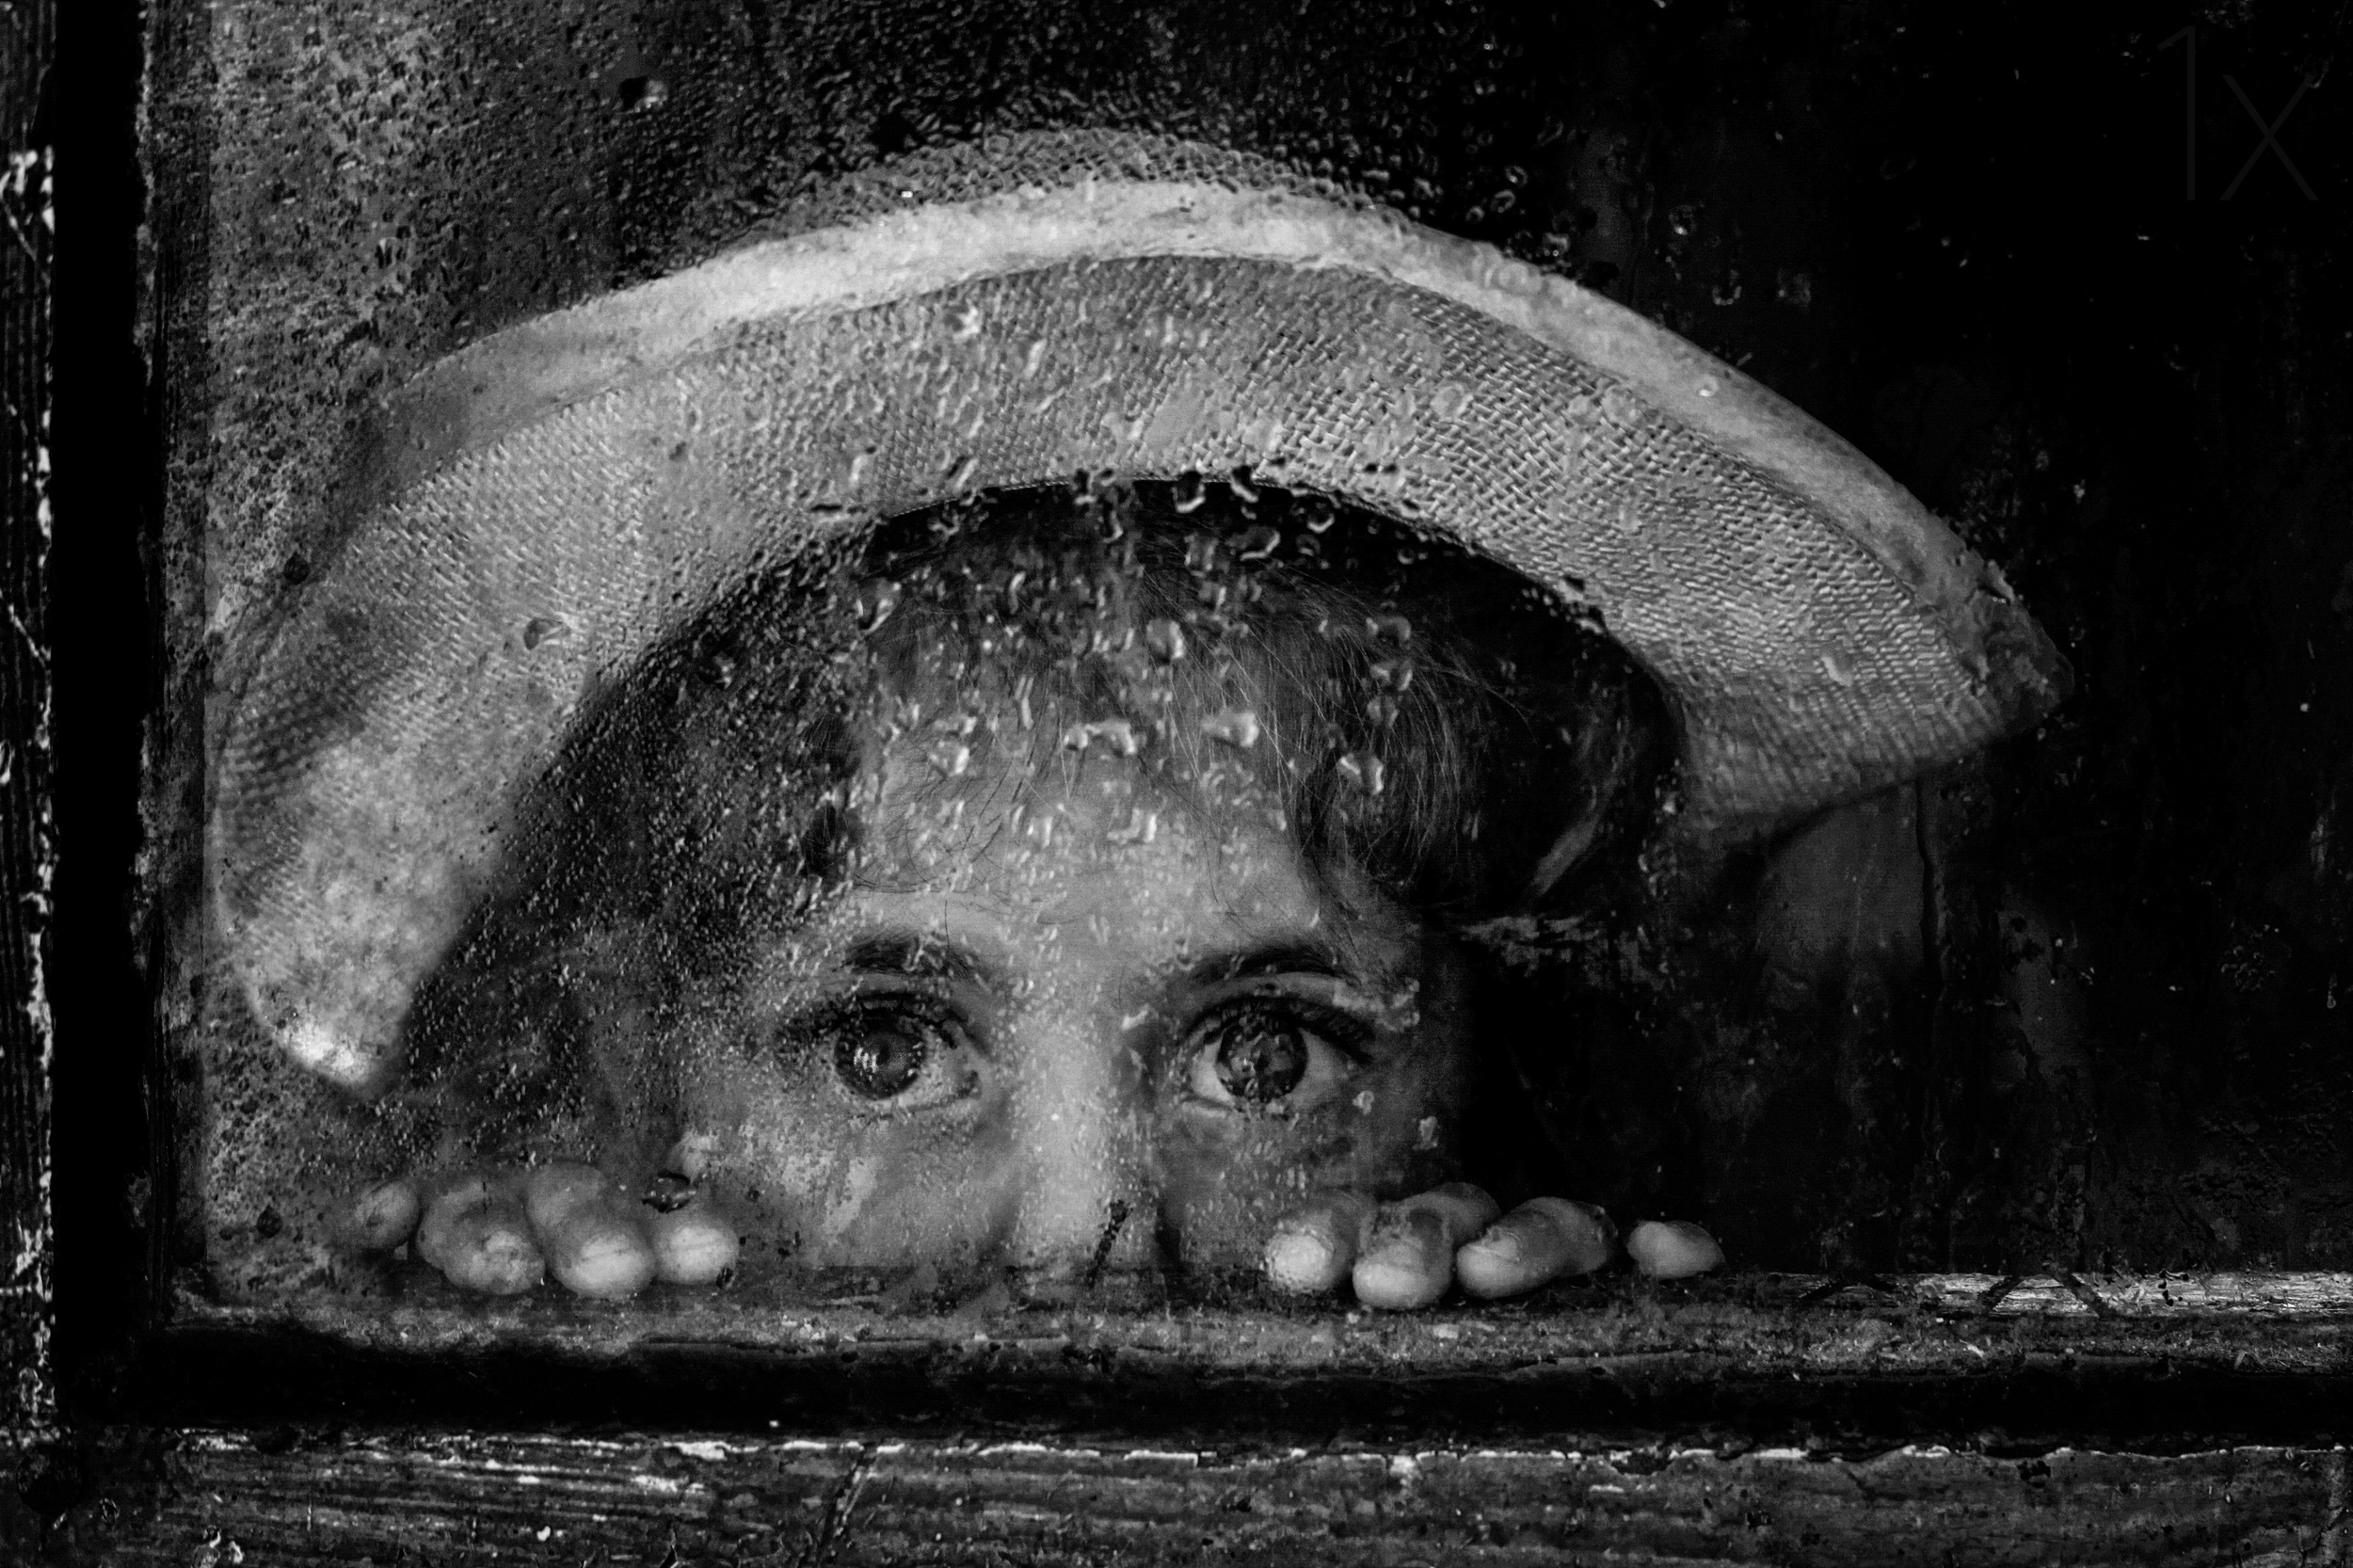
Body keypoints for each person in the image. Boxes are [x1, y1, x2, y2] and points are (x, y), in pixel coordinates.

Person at [360, 476, 1726, 1306]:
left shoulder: (1482, 1293)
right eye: (884, 1049)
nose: (1083, 1245)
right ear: (639, 1052)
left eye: (1264, 1057)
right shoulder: (547, 1314)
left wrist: (1575, 1385)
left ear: (1468, 1062)